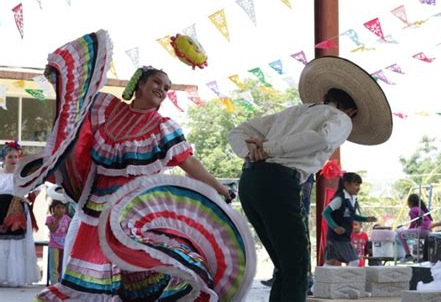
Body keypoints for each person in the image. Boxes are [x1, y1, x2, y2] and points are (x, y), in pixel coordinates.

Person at [15, 30, 255, 301]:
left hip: (137, 213)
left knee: (146, 278)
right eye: (157, 82)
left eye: (166, 88)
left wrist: (217, 188)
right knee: (90, 279)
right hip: (96, 211)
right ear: (139, 84)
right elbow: (76, 101)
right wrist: (59, 74)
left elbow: (188, 162)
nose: (162, 90)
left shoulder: (162, 128)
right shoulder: (107, 109)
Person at [228, 56, 392, 302]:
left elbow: (237, 131)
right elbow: (322, 139)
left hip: (251, 181)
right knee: (296, 266)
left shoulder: (292, 112)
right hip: (280, 182)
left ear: (324, 97)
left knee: (284, 265)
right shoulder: (342, 119)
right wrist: (270, 149)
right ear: (352, 110)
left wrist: (252, 151)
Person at [260, 174, 315, 295]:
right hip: (285, 182)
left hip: (296, 182)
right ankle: (280, 272)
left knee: (299, 239)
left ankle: (306, 278)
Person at [0, 141, 40, 286]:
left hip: (17, 214)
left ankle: (15, 278)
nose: (13, 160)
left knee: (16, 245)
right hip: (0, 213)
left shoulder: (23, 175)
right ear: (3, 159)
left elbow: (36, 188)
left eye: (16, 157)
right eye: (10, 157)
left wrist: (27, 198)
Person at [322, 172, 376, 266]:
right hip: (337, 237)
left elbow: (353, 215)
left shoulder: (353, 199)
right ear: (346, 184)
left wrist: (366, 219)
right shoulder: (339, 199)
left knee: (332, 262)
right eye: (356, 184)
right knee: (354, 260)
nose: (358, 187)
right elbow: (325, 213)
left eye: (359, 185)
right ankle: (349, 280)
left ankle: (322, 280)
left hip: (344, 236)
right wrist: (335, 227)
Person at [397, 193, 432, 262]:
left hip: (422, 230)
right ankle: (418, 256)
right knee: (404, 233)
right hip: (428, 230)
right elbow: (415, 224)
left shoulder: (413, 210)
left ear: (410, 202)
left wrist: (407, 231)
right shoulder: (421, 209)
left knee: (400, 234)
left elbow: (414, 224)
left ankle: (408, 255)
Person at [45, 200, 71, 285]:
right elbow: (52, 229)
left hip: (64, 245)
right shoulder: (50, 218)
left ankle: (61, 283)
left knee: (62, 265)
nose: (60, 210)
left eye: (63, 208)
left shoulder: (67, 218)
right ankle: (54, 284)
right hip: (54, 245)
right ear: (53, 208)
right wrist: (57, 220)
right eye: (58, 207)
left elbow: (69, 231)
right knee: (54, 266)